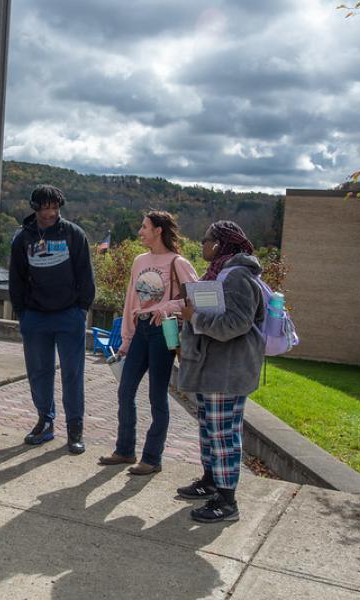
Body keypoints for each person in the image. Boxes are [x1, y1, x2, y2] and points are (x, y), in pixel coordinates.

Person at [177, 220, 265, 523]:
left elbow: (235, 324)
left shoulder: (238, 276)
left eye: (205, 240)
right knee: (210, 430)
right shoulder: (222, 273)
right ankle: (211, 482)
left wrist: (195, 318)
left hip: (227, 372)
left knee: (224, 433)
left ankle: (227, 502)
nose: (202, 245)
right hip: (212, 369)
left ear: (220, 243)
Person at [98, 211, 198, 475]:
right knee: (125, 390)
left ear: (158, 230)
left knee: (157, 396)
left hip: (163, 332)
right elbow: (131, 300)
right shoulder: (140, 260)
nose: (140, 232)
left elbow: (196, 297)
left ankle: (152, 458)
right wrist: (126, 339)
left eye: (144, 227)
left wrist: (166, 306)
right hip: (141, 329)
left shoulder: (178, 262)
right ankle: (125, 450)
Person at [9, 184, 95, 454]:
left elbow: (85, 275)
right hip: (35, 318)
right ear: (35, 208)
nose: (50, 213)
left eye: (55, 208)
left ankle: (75, 430)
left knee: (72, 374)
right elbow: (16, 279)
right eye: (45, 208)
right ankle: (45, 422)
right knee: (39, 373)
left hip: (69, 316)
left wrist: (81, 310)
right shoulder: (22, 238)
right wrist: (22, 313)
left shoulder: (73, 234)